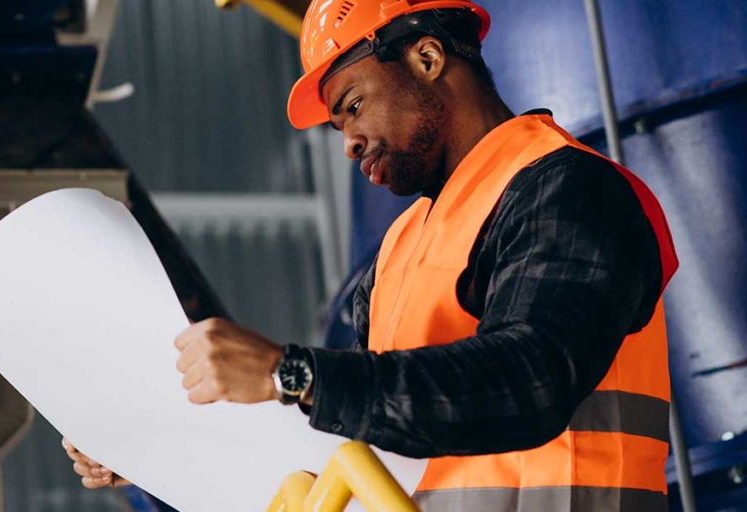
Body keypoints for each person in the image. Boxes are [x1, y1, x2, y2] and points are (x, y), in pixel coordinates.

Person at [67, 1, 679, 510]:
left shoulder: (571, 190)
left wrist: (291, 373)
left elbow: (532, 379)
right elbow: (356, 426)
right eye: (337, 128)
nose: (349, 143)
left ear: (428, 57)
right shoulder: (399, 251)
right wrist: (158, 449)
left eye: (354, 106)